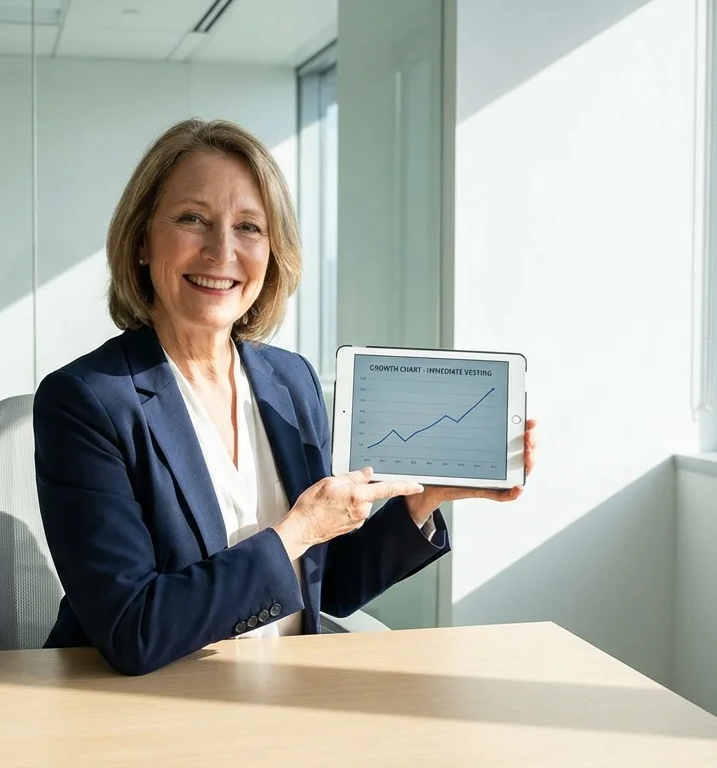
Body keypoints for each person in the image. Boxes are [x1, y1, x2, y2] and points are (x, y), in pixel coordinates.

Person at [33, 118, 537, 676]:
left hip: (287, 698)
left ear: (273, 252)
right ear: (143, 242)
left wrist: (424, 498)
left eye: (249, 227)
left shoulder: (289, 381)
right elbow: (135, 629)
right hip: (145, 712)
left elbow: (327, 585)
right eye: (192, 219)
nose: (221, 250)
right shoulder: (85, 401)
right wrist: (300, 528)